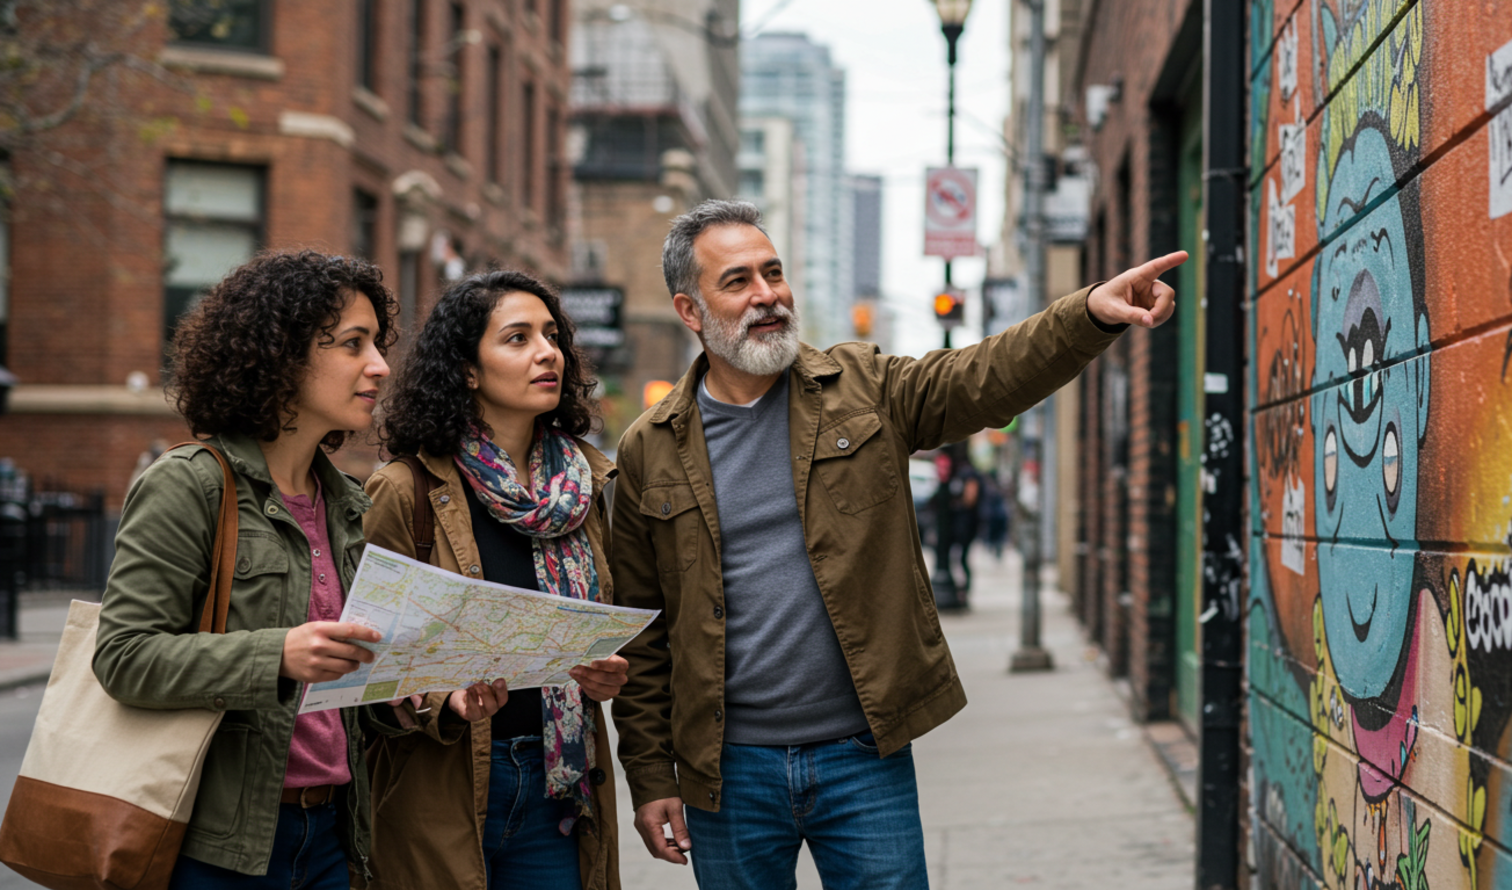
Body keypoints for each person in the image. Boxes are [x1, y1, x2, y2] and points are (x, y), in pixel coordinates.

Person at [609, 199, 1183, 889]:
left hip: (861, 756)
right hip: (727, 772)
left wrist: (1088, 312)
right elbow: (640, 635)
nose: (767, 295)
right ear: (690, 310)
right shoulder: (648, 449)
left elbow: (986, 376)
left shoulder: (861, 386)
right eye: (737, 281)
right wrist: (648, 776)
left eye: (774, 272)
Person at [93, 251, 398, 887]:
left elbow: (340, 690)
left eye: (377, 343)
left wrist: (429, 697)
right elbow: (123, 657)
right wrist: (277, 655)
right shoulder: (190, 485)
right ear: (282, 356)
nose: (379, 366)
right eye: (352, 344)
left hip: (334, 837)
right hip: (219, 848)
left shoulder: (344, 500)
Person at [360, 270, 627, 890]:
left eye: (552, 335)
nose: (546, 352)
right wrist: (441, 699)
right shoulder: (405, 493)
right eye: (517, 338)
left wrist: (606, 670)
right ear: (468, 370)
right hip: (445, 787)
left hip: (561, 787)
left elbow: (608, 628)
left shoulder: (588, 486)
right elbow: (366, 660)